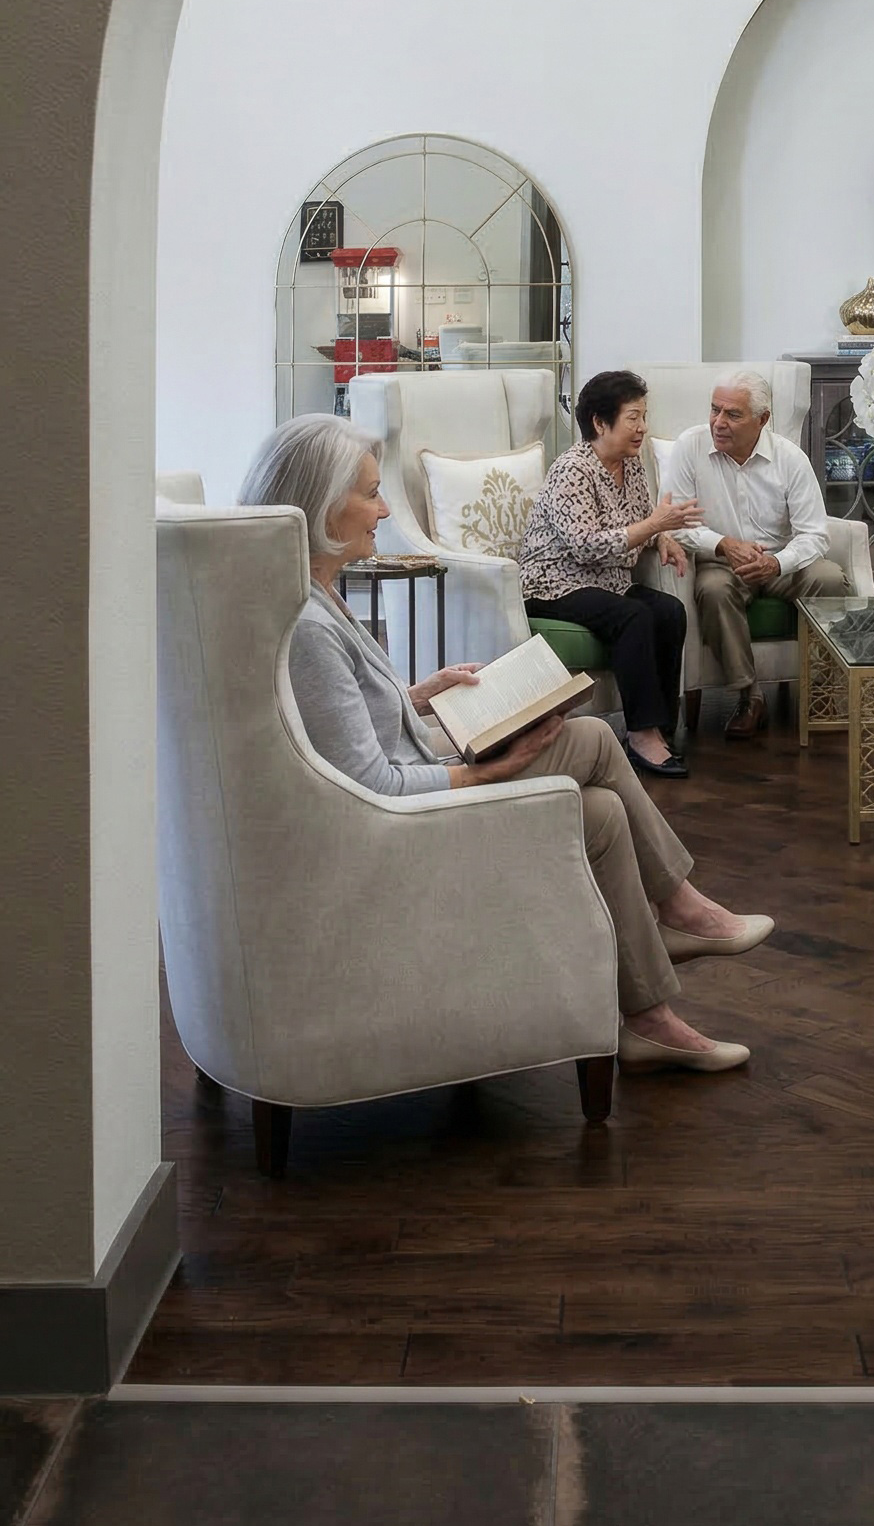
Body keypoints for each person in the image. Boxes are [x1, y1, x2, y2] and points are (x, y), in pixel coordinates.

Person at [240, 414, 766, 1074]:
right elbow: (371, 784)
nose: (384, 510)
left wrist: (421, 693)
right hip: (405, 823)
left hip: (416, 788)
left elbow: (344, 727)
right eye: (371, 493)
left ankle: (652, 1012)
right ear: (322, 507)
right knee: (595, 741)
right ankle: (682, 914)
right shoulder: (310, 625)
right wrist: (493, 772)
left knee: (600, 811)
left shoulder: (317, 598)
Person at [520, 370, 697, 778]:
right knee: (632, 616)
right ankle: (640, 736)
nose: (643, 428)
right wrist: (654, 527)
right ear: (600, 423)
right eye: (633, 417)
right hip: (555, 582)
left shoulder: (630, 466)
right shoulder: (572, 470)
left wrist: (661, 539)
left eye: (643, 416)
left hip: (606, 582)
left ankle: (662, 725)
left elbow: (640, 521)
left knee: (669, 611)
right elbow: (584, 545)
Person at [665, 369, 848, 739]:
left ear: (762, 420)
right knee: (713, 590)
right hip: (721, 562)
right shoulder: (690, 447)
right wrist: (724, 544)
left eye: (733, 414)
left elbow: (814, 534)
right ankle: (749, 696)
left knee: (829, 578)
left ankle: (825, 688)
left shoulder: (790, 458)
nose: (718, 422)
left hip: (782, 562)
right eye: (714, 410)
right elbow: (673, 523)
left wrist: (776, 563)